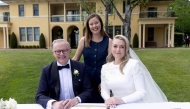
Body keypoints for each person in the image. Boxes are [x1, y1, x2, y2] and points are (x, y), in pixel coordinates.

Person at [101, 35, 168, 108]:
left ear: (126, 49)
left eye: (122, 47)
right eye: (115, 46)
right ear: (111, 48)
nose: (118, 50)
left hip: (136, 105)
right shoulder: (105, 67)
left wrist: (121, 100)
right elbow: (104, 90)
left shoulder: (133, 65)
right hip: (116, 106)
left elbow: (141, 91)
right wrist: (108, 100)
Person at [35, 39, 92, 109]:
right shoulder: (46, 70)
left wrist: (76, 100)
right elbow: (40, 95)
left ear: (70, 51)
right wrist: (54, 103)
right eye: (58, 51)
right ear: (53, 53)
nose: (61, 54)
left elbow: (88, 90)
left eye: (65, 50)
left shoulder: (81, 67)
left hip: (76, 106)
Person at [72, 13, 112, 103]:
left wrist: (106, 82)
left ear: (101, 23)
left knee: (103, 104)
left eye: (96, 23)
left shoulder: (109, 41)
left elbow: (112, 64)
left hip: (102, 80)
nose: (94, 26)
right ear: (88, 26)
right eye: (91, 24)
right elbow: (76, 58)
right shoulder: (83, 40)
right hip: (86, 79)